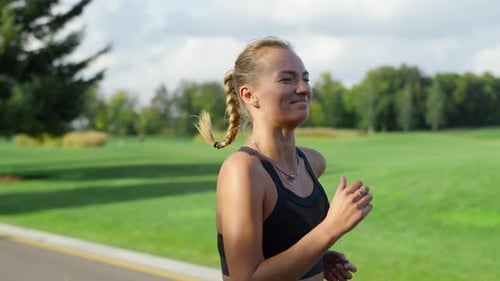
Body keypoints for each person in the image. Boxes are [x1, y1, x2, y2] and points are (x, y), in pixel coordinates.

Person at [195, 36, 373, 281]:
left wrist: (317, 258)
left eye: (305, 78)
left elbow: (281, 245)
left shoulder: (312, 162)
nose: (303, 88)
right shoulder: (243, 171)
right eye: (286, 79)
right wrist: (330, 230)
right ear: (249, 95)